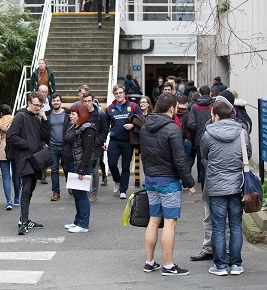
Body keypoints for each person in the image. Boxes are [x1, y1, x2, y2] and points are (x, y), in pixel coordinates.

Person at [139, 92, 196, 276]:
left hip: (151, 180)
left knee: (154, 220)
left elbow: (144, 156)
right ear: (172, 108)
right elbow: (180, 160)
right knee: (170, 222)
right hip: (169, 182)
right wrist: (190, 183)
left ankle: (149, 262)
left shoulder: (145, 127)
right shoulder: (173, 129)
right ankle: (168, 265)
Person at [200, 100, 251, 276]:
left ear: (216, 116)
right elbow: (248, 154)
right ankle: (236, 264)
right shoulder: (242, 132)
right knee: (236, 226)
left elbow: (204, 155)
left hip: (216, 186)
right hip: (238, 185)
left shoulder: (208, 134)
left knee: (218, 227)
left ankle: (220, 266)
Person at [7, 91, 50, 235]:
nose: (39, 108)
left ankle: (23, 219)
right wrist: (28, 144)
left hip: (35, 158)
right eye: (36, 105)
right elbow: (11, 136)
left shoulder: (37, 117)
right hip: (24, 158)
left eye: (41, 105)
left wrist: (44, 119)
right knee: (26, 189)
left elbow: (44, 136)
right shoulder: (21, 116)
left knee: (30, 189)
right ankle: (23, 222)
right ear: (29, 103)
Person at [62, 104, 96, 233]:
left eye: (73, 114)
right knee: (76, 194)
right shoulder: (74, 126)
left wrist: (82, 169)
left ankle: (83, 224)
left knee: (82, 195)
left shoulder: (88, 129)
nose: (70, 116)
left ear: (80, 115)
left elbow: (88, 151)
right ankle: (78, 220)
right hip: (71, 164)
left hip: (80, 166)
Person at [106, 84, 143, 199]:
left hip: (128, 141)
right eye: (116, 93)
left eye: (120, 93)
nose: (119, 95)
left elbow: (141, 120)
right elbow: (106, 126)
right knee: (112, 163)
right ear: (114, 95)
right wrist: (103, 140)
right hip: (114, 140)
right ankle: (117, 180)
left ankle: (123, 190)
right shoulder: (109, 108)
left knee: (126, 166)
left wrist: (132, 125)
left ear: (124, 93)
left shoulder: (133, 106)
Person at [81, 92, 108, 202]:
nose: (87, 103)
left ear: (93, 101)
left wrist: (99, 141)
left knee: (95, 170)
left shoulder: (100, 113)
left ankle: (94, 193)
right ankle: (84, 191)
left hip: (95, 146)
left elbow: (105, 130)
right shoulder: (81, 113)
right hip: (83, 146)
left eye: (89, 101)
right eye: (85, 101)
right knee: (84, 168)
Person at [45, 93, 71, 201]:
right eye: (54, 101)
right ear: (51, 102)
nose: (56, 102)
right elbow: (44, 129)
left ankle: (70, 186)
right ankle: (56, 192)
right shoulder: (48, 114)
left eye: (57, 100)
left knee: (67, 168)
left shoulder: (67, 113)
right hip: (53, 146)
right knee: (54, 170)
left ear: (61, 101)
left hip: (65, 145)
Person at [0, 104, 20, 210]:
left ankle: (9, 201)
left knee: (6, 176)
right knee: (16, 174)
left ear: (1, 113)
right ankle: (17, 198)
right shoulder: (15, 120)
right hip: (14, 149)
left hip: (2, 150)